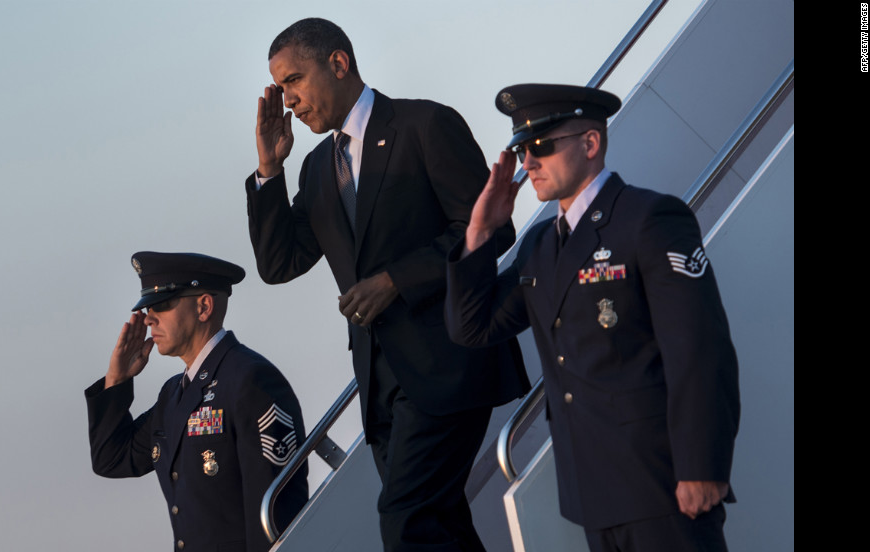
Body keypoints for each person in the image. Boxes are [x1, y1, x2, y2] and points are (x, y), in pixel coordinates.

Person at [244, 17, 529, 552]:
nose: (289, 102)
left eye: (293, 81)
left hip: (447, 366)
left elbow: (491, 229)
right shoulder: (315, 169)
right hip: (380, 391)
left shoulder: (425, 126)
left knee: (405, 521)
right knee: (439, 527)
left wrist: (397, 279)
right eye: (281, 88)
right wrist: (268, 170)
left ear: (338, 63)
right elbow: (279, 263)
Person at [445, 84, 740, 552]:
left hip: (663, 483)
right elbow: (471, 326)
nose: (527, 163)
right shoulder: (540, 245)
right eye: (522, 149)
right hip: (593, 492)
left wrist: (701, 467)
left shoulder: (649, 218)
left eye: (541, 146)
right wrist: (479, 231)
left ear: (590, 143)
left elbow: (700, 350)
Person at [84, 251, 308, 552]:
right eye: (148, 307)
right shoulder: (173, 394)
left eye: (161, 305)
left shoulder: (250, 380)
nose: (149, 318)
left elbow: (274, 511)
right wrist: (117, 380)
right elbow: (111, 459)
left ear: (203, 306)